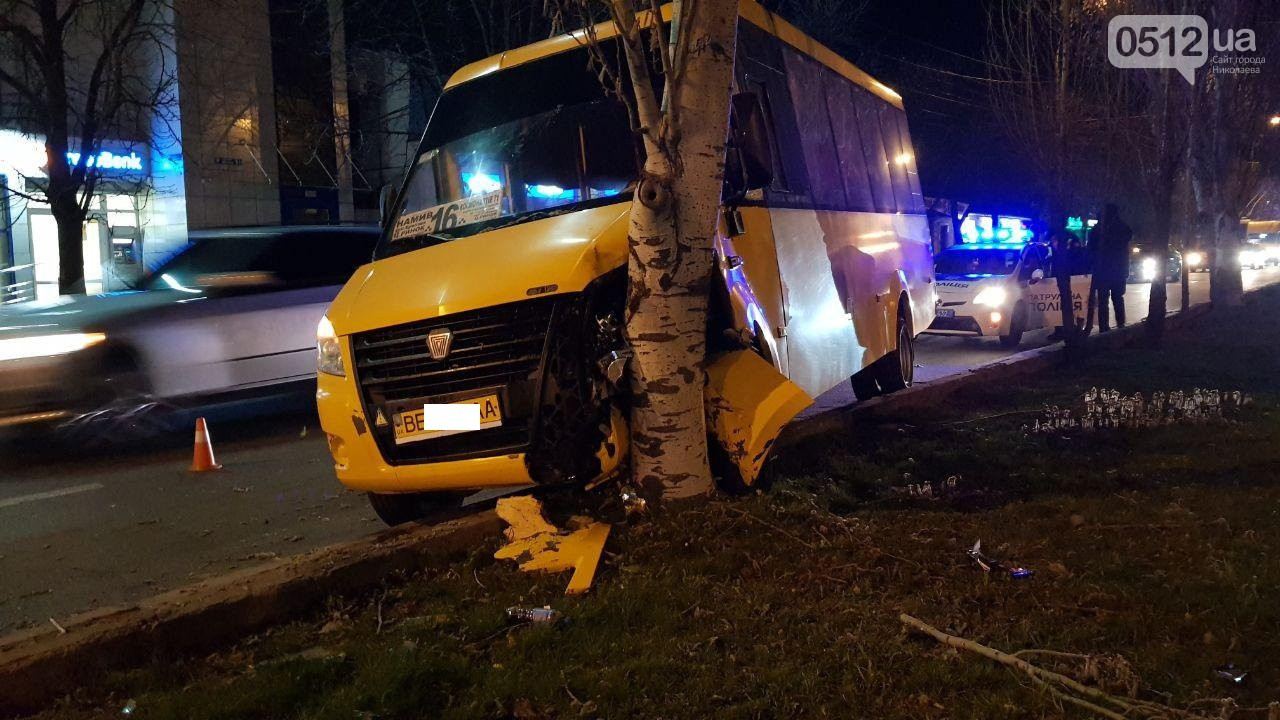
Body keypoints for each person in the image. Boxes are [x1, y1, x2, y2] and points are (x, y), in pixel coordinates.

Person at [1091, 203, 1132, 331]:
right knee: (1116, 299)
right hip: (1116, 270)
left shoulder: (1099, 229)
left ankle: (1105, 327)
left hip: (1104, 270)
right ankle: (1119, 326)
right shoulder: (1120, 228)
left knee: (1105, 300)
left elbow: (1090, 250)